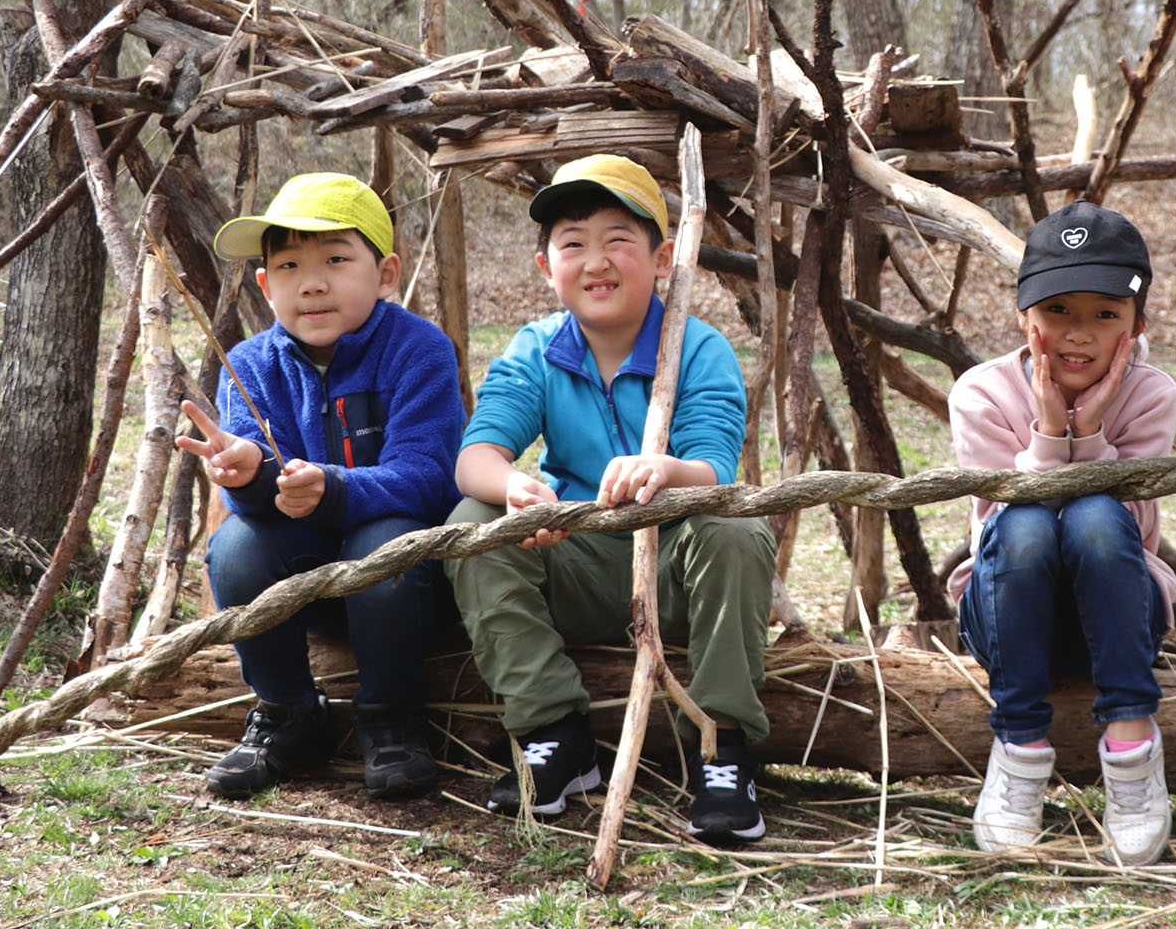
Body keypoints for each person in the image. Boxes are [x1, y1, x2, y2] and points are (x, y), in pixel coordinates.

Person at [446, 156, 777, 844]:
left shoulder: (697, 348)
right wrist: (513, 489)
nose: (594, 260)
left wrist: (666, 469)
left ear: (660, 259)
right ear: (546, 267)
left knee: (733, 528)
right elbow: (475, 458)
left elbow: (714, 468)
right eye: (572, 243)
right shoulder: (536, 350)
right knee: (472, 524)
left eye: (617, 239)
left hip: (679, 576)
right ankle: (554, 736)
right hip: (577, 565)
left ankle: (722, 751)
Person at [178, 173, 466, 800]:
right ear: (265, 284)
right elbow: (256, 496)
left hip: (406, 589)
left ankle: (389, 715)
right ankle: (288, 712)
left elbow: (426, 476)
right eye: (287, 265)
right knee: (236, 548)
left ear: (386, 274)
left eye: (336, 259)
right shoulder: (251, 364)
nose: (311, 282)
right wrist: (248, 474)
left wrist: (332, 489)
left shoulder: (419, 351)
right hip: (304, 580)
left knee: (386, 541)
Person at [947, 201, 1176, 866]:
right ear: (1025, 318)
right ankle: (1020, 750)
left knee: (1095, 515)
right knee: (1025, 520)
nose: (1080, 335)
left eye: (1105, 315)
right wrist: (1052, 431)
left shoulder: (1152, 395)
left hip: (1114, 622)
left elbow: (1126, 529)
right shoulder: (982, 393)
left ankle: (1132, 745)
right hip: (1007, 620)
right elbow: (1001, 519)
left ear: (1137, 325)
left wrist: (1092, 432)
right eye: (1059, 312)